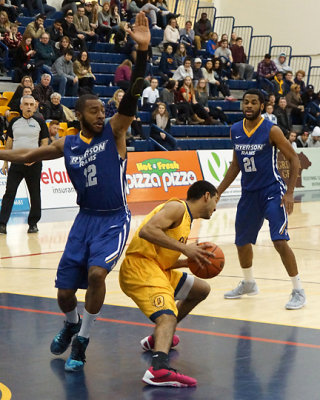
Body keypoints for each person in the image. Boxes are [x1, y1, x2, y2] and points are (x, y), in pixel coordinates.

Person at [0, 11, 151, 371]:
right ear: (80, 115)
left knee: (97, 275)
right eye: (95, 111)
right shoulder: (67, 144)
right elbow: (28, 153)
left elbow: (130, 98)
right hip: (84, 220)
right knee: (65, 293)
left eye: (103, 110)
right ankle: (70, 326)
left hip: (113, 219)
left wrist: (142, 52)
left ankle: (83, 339)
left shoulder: (115, 132)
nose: (102, 114)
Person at [119, 180, 218, 387]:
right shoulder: (177, 207)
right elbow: (147, 231)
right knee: (167, 316)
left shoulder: (186, 219)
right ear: (206, 196)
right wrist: (186, 250)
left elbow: (162, 250)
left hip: (158, 269)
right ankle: (159, 370)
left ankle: (158, 339)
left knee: (201, 290)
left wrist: (187, 261)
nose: (216, 208)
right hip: (140, 268)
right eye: (216, 200)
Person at [217, 89, 306, 310]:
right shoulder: (235, 130)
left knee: (279, 240)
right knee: (241, 242)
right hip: (248, 194)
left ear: (262, 105)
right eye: (246, 102)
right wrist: (218, 191)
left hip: (272, 191)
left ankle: (298, 290)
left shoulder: (271, 130)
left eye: (253, 102)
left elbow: (294, 159)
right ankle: (249, 283)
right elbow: (236, 165)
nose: (248, 106)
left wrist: (290, 193)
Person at [0, 95, 49, 234]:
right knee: (9, 193)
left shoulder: (40, 122)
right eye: (26, 104)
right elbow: (9, 143)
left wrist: (35, 158)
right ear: (21, 107)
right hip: (16, 163)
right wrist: (5, 162)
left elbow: (44, 144)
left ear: (35, 106)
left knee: (35, 194)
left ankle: (33, 224)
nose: (28, 107)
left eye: (31, 104)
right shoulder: (14, 121)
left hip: (34, 164)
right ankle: (2, 223)